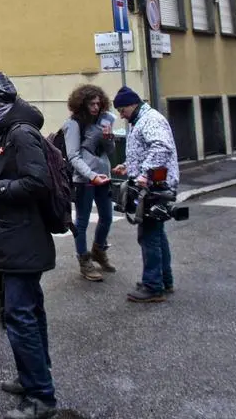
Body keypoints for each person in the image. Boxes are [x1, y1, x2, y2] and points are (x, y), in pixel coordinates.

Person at [0, 72, 64, 419]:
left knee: (20, 315)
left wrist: (0, 190)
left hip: (21, 240)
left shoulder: (20, 134)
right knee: (28, 311)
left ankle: (41, 396)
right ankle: (32, 376)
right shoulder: (5, 131)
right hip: (14, 238)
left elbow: (37, 182)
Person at [112, 87, 178, 303]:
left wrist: (145, 174)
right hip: (156, 184)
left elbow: (161, 147)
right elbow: (146, 149)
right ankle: (163, 279)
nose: (121, 115)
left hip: (154, 187)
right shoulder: (142, 120)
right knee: (157, 235)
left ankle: (153, 286)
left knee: (149, 236)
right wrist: (128, 166)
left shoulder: (149, 120)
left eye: (122, 110)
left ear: (133, 104)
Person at [62, 85, 118, 283]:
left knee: (107, 217)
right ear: (82, 104)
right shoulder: (73, 124)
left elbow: (108, 151)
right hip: (84, 180)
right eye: (91, 104)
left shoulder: (101, 121)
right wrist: (91, 175)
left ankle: (99, 250)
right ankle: (84, 260)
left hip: (103, 177)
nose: (96, 107)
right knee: (82, 222)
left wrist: (109, 138)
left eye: (98, 103)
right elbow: (73, 156)